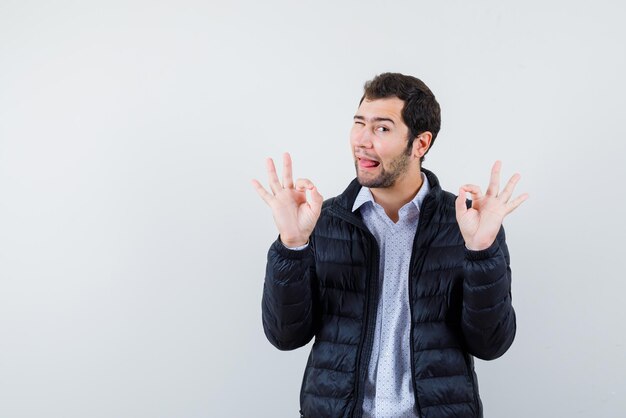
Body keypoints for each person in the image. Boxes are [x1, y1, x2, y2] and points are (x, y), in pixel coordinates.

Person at [252, 73, 528, 418]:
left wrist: (482, 252)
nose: (362, 141)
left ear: (420, 144)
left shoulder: (469, 225)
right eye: (359, 124)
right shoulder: (321, 222)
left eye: (382, 128)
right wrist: (292, 246)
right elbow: (285, 336)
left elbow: (491, 345)